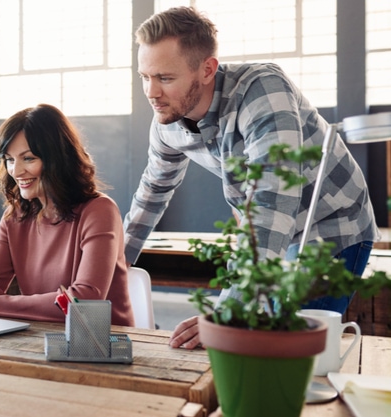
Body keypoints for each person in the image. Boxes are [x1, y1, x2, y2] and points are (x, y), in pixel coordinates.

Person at [124, 7, 379, 349]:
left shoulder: (262, 91)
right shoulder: (168, 123)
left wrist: (225, 312)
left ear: (207, 69)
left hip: (330, 225)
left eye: (165, 78)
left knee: (291, 346)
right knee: (256, 337)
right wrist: (116, 265)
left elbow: (273, 202)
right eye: (145, 76)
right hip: (269, 234)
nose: (151, 93)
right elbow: (152, 192)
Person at [0, 103, 134, 327]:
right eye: (9, 159)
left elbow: (82, 302)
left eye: (28, 158)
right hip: (42, 337)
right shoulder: (15, 216)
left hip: (100, 345)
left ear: (58, 158)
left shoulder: (99, 211)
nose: (16, 171)